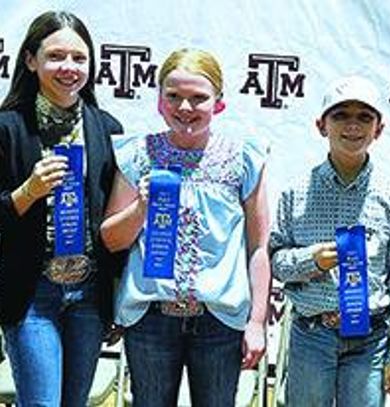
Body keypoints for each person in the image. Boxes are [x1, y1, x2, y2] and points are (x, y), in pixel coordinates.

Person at [100, 48, 271, 407]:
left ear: (219, 104)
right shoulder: (138, 154)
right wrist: (141, 208)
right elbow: (112, 239)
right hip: (151, 319)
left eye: (198, 98)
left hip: (220, 320)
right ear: (159, 101)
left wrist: (256, 322)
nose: (185, 108)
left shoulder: (244, 159)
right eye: (174, 96)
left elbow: (258, 246)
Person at [0, 10, 125, 407]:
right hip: (32, 293)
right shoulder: (7, 128)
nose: (68, 67)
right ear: (30, 61)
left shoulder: (107, 128)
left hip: (89, 294)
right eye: (55, 56)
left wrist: (119, 297)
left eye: (79, 58)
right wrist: (27, 192)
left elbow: (113, 223)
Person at [270, 75, 390, 407]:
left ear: (379, 129)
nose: (353, 125)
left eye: (364, 117)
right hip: (312, 333)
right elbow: (275, 262)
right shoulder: (295, 193)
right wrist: (312, 260)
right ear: (321, 125)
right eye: (341, 116)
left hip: (371, 338)